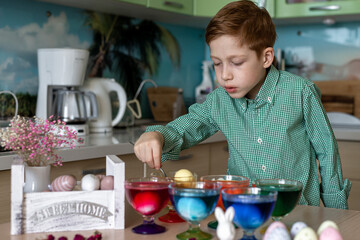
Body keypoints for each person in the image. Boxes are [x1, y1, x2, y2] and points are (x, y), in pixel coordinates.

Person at [134, 0, 351, 209]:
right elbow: (188, 126)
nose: (224, 75)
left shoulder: (300, 92)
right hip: (243, 211)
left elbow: (327, 153)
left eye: (236, 63)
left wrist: (336, 213)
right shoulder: (219, 100)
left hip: (297, 212)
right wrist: (157, 136)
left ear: (266, 58)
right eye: (217, 64)